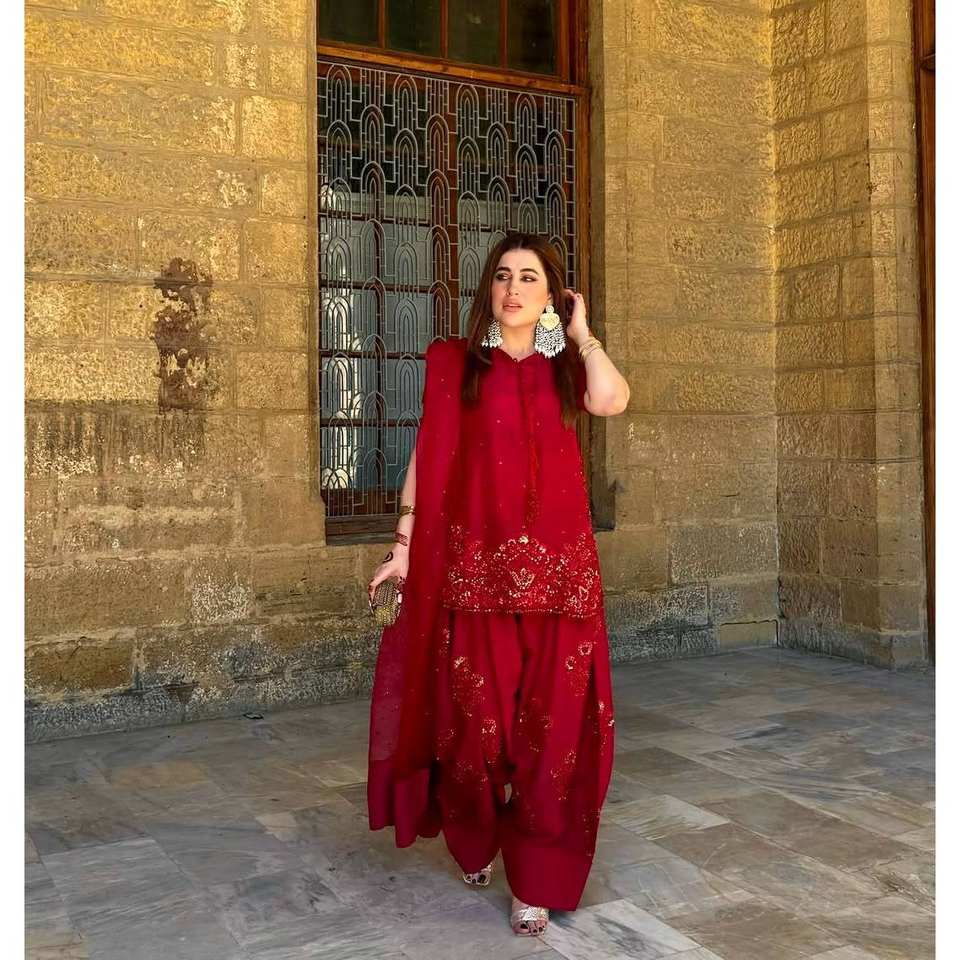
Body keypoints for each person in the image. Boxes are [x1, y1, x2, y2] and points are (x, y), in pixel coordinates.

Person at [366, 232, 630, 936]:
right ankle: (476, 835)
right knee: (474, 730)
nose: (513, 290)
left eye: (530, 278)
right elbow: (427, 453)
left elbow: (612, 400)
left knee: (553, 735)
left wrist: (582, 333)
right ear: (490, 288)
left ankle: (535, 878)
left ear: (552, 295)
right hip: (476, 574)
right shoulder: (456, 364)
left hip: (561, 580)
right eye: (504, 276)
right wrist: (404, 547)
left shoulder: (567, 364)